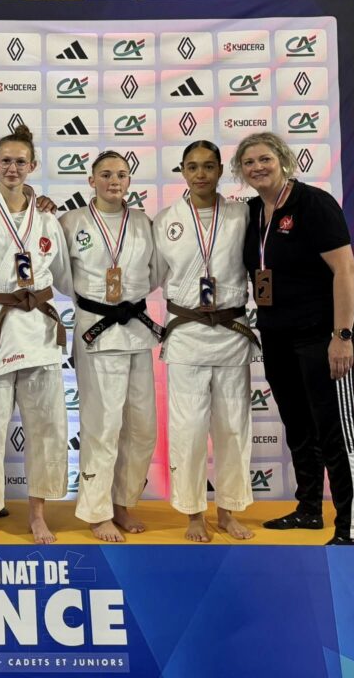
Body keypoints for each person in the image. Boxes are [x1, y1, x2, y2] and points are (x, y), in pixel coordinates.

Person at [236, 132, 354, 545]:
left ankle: (349, 528)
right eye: (249, 162)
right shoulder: (252, 212)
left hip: (321, 334)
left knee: (335, 431)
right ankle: (309, 510)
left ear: (283, 160)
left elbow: (345, 270)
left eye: (265, 159)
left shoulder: (313, 203)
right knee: (298, 426)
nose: (257, 167)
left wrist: (342, 336)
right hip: (277, 334)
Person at [0, 124, 72, 544]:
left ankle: (38, 514)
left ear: (33, 166)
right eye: (5, 160)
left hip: (38, 329)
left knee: (46, 425)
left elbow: (62, 274)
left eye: (20, 161)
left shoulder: (47, 217)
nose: (12, 168)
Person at [153, 140, 257, 543]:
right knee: (188, 430)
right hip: (186, 334)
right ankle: (193, 513)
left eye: (209, 166)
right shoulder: (166, 220)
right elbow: (149, 275)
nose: (200, 174)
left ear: (220, 171)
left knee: (233, 428)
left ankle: (229, 510)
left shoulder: (241, 215)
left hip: (231, 334)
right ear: (182, 170)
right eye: (193, 166)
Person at [59, 150, 160, 542]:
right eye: (105, 174)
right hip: (97, 331)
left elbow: (155, 273)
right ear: (91, 180)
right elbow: (61, 275)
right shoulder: (71, 222)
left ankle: (122, 501)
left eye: (121, 174)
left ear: (129, 181)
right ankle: (96, 510)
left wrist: (126, 302)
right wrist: (95, 302)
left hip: (135, 329)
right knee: (102, 426)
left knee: (142, 427)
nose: (114, 181)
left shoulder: (143, 223)